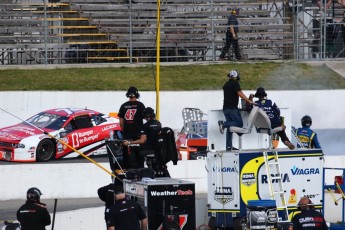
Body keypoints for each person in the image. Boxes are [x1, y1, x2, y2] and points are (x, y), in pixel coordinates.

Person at [218, 70, 255, 150]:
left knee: (230, 127)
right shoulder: (235, 84)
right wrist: (249, 101)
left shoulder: (226, 84)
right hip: (232, 108)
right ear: (236, 77)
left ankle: (228, 146)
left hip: (225, 108)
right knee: (239, 123)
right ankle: (223, 124)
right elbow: (240, 94)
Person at [118, 86, 145, 169]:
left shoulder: (123, 106)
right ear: (137, 95)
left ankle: (129, 171)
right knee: (139, 155)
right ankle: (140, 170)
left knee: (128, 154)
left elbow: (121, 122)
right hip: (138, 133)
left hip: (127, 133)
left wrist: (124, 131)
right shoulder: (140, 105)